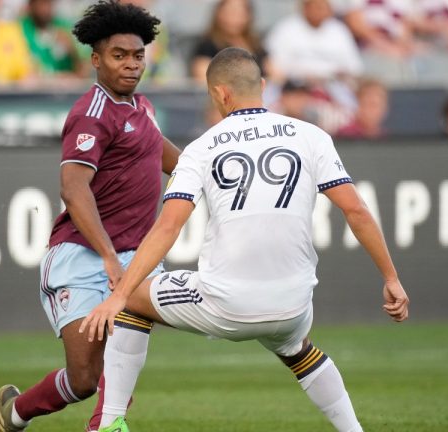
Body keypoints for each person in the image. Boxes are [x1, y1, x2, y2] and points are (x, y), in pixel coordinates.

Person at [80, 47, 409, 432]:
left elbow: (168, 228)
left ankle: (110, 422)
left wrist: (119, 293)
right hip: (294, 305)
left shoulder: (202, 149)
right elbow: (356, 211)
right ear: (264, 87)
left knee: (131, 296)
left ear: (219, 94)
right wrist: (390, 277)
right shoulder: (311, 136)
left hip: (228, 303)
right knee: (297, 350)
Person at [0, 2, 181, 432]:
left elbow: (180, 163)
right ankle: (15, 413)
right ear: (96, 60)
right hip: (82, 257)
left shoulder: (143, 109)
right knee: (84, 378)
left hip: (136, 258)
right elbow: (73, 189)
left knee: (120, 363)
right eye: (119, 56)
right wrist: (111, 257)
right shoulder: (91, 115)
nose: (131, 65)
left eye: (137, 56)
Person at [189, 0, 268, 83]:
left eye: (240, 12)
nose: (234, 17)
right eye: (230, 12)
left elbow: (274, 74)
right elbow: (204, 78)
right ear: (219, 13)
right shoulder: (207, 46)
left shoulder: (256, 45)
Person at [19, 0, 87, 79]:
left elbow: (84, 69)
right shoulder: (20, 29)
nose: (46, 9)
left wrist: (72, 50)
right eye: (41, 4)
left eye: (49, 3)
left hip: (63, 87)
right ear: (31, 5)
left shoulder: (64, 27)